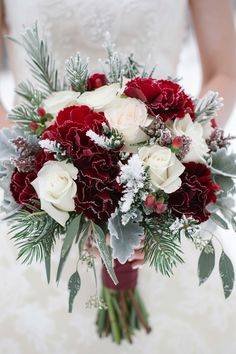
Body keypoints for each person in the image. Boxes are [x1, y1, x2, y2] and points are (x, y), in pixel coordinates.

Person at [0, 1, 236, 354]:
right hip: (37, 201)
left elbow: (225, 70)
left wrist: (176, 153)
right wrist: (44, 176)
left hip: (166, 203)